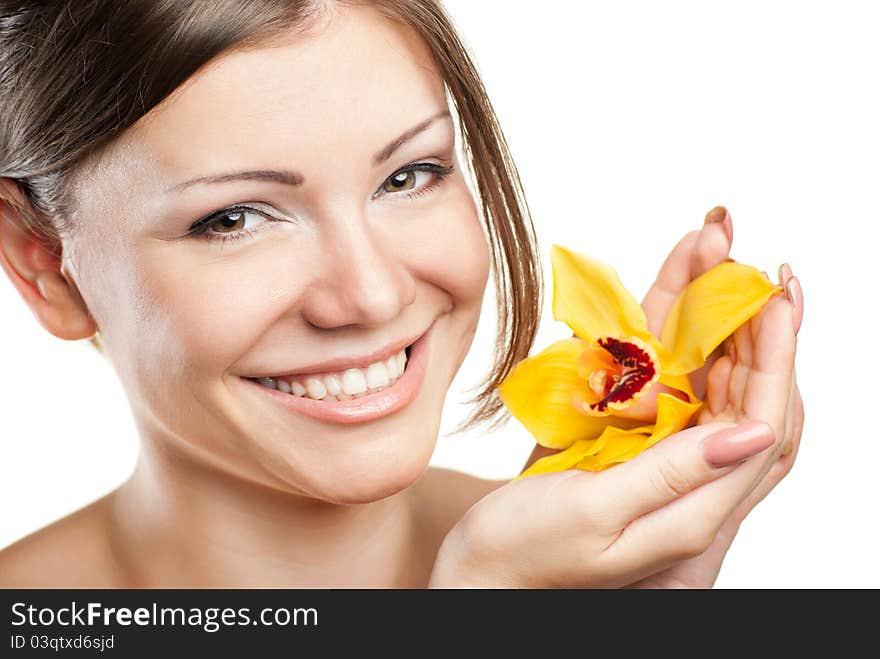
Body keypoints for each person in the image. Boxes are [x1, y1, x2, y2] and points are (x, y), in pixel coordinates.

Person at [0, 0, 803, 588]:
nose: (372, 295)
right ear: (41, 261)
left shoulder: (591, 567)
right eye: (233, 218)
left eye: (408, 175)